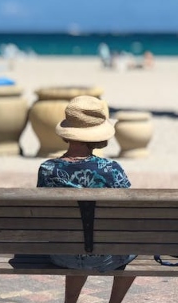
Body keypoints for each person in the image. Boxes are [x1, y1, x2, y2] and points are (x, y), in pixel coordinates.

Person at [37, 95, 136, 303]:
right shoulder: (111, 170)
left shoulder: (47, 169)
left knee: (77, 236)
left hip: (62, 254)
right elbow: (129, 211)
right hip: (107, 255)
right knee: (136, 246)